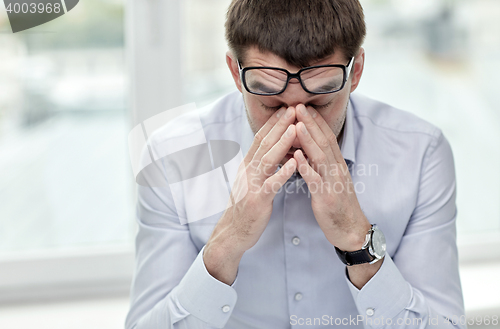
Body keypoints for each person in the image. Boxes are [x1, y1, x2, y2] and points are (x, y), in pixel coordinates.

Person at [125, 0, 466, 328]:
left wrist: (357, 239)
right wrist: (228, 240)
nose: (295, 126)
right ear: (234, 71)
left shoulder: (420, 153)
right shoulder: (172, 156)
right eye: (271, 104)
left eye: (319, 103)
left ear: (356, 71)